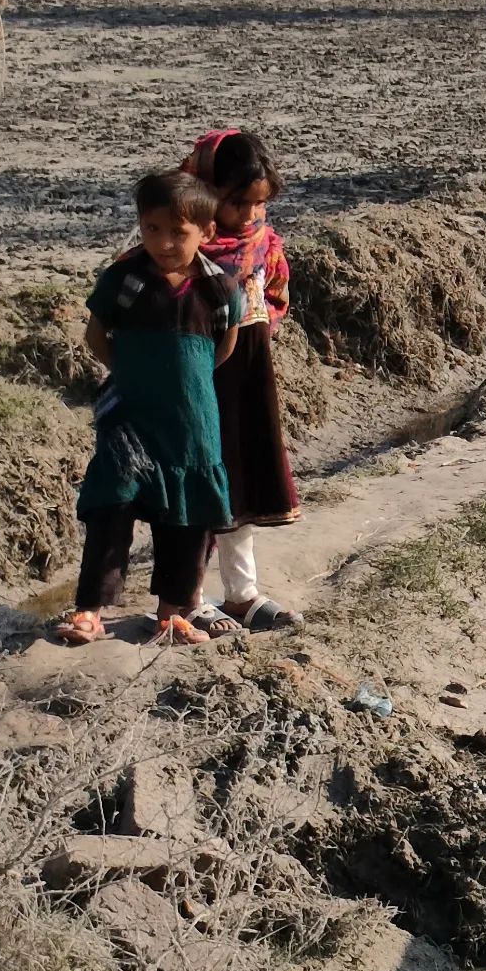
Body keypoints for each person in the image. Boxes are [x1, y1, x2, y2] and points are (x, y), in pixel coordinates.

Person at [55, 170, 241, 646]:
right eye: (152, 229)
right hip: (130, 421)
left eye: (178, 232)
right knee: (111, 508)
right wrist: (137, 375)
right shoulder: (125, 279)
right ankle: (89, 611)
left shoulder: (219, 290)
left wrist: (183, 381)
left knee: (186, 517)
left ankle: (170, 614)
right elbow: (96, 338)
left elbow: (224, 347)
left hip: (192, 425)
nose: (163, 243)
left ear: (206, 233)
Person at [181, 129, 303, 634]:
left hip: (248, 375)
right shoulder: (180, 246)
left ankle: (241, 593)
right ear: (207, 192)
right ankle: (184, 598)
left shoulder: (261, 244)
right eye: (237, 204)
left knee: (240, 479)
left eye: (259, 205)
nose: (250, 216)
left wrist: (254, 325)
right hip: (194, 380)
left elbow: (276, 292)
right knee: (198, 482)